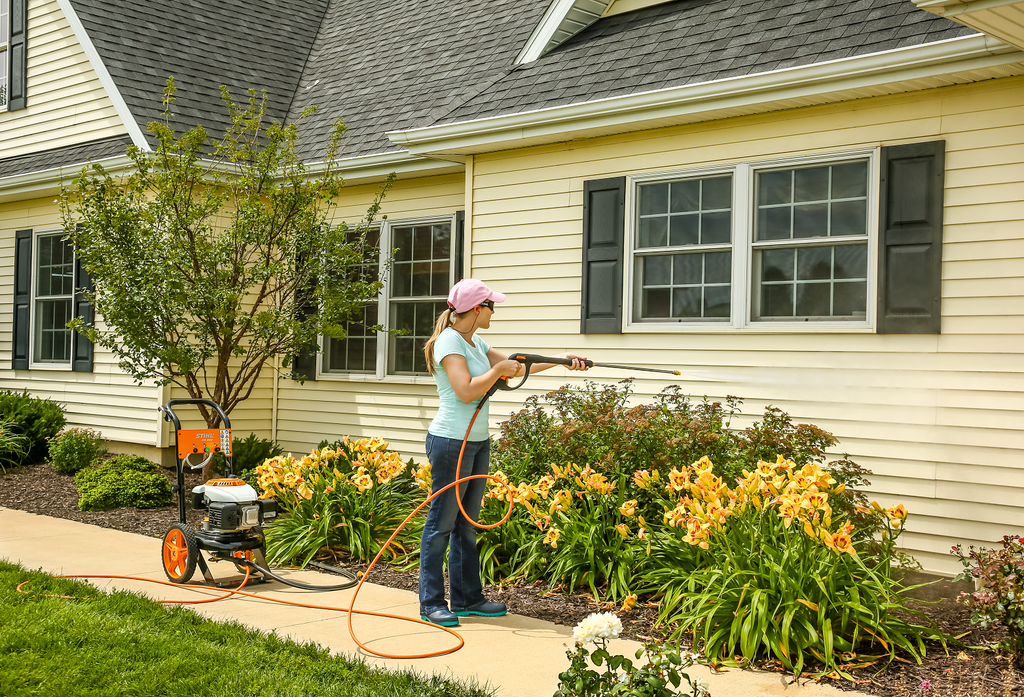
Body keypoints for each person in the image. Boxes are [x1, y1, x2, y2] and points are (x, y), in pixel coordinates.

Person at [418, 278, 589, 627]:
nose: (494, 311)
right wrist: (497, 370)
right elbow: (465, 391)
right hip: (451, 442)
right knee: (441, 524)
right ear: (478, 308)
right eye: (491, 305)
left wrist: (562, 361)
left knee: (467, 525)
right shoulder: (449, 342)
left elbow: (517, 367)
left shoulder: (474, 340)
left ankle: (467, 599)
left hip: (477, 442)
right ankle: (431, 603)